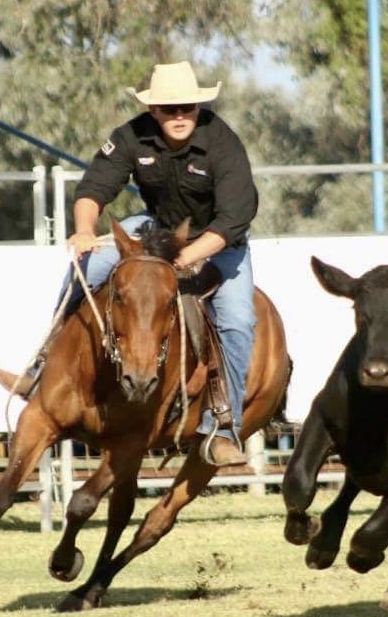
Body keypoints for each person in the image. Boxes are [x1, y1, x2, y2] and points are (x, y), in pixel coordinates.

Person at [51, 60, 260, 466]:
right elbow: (94, 187)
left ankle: (222, 426)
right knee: (87, 265)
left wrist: (184, 258)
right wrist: (84, 230)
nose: (179, 116)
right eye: (169, 109)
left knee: (237, 320)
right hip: (155, 231)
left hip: (219, 243)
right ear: (153, 110)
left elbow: (233, 219)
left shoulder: (223, 143)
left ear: (198, 107)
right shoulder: (131, 136)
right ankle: (46, 365)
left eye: (187, 107)